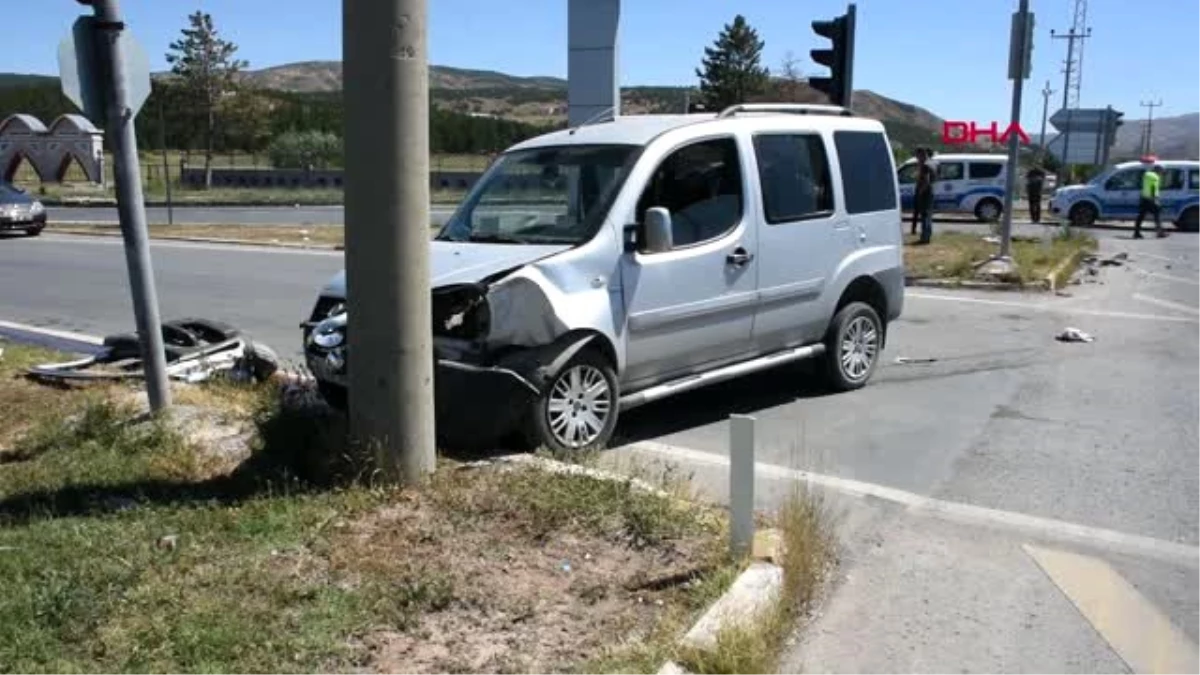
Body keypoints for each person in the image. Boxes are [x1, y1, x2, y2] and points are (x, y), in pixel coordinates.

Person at [1133, 164, 1167, 239]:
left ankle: (1136, 233)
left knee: (1141, 216)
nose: (1161, 174)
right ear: (1158, 171)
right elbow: (1153, 188)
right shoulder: (1155, 177)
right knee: (1157, 215)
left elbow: (1145, 186)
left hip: (1144, 198)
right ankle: (1160, 233)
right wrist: (1155, 199)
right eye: (1161, 172)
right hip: (1151, 199)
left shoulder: (1146, 175)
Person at [912, 147, 936, 244]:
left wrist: (920, 192)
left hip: (925, 193)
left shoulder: (925, 165)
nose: (917, 158)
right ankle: (927, 236)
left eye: (917, 156)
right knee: (928, 215)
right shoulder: (933, 163)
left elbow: (926, 181)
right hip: (931, 192)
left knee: (925, 215)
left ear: (921, 154)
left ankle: (925, 238)